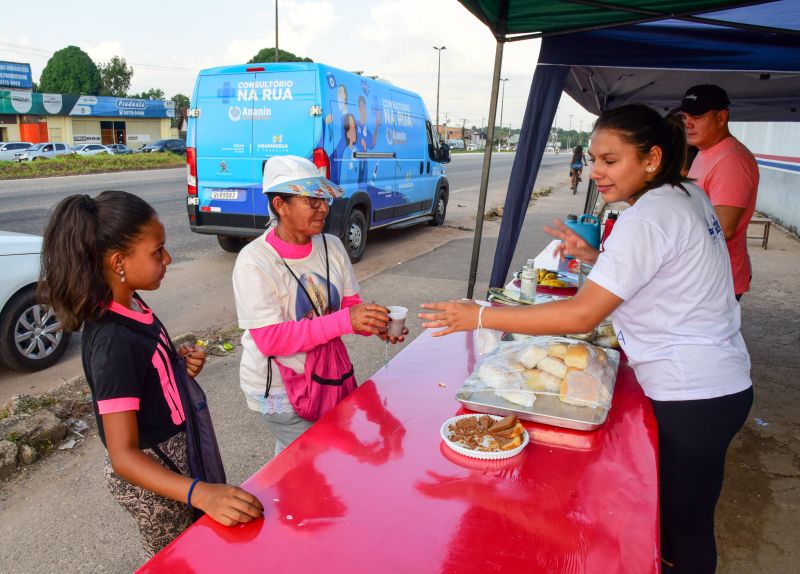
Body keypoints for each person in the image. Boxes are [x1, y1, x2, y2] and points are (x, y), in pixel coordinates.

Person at [420, 104, 752, 573]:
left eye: (610, 161)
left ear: (652, 158)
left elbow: (582, 315)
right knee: (684, 519)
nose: (596, 171)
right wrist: (596, 257)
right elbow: (661, 275)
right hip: (718, 382)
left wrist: (479, 316)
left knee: (684, 528)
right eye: (594, 158)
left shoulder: (648, 217)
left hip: (693, 391)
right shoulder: (686, 195)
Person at [38, 191, 263, 557]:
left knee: (196, 545)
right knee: (175, 558)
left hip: (175, 455)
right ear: (118, 262)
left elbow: (147, 364)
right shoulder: (113, 342)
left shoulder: (133, 302)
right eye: (157, 251)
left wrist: (176, 364)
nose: (168, 258)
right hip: (153, 476)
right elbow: (123, 455)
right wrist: (200, 492)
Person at [233, 155, 407, 456]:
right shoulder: (255, 260)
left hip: (326, 380)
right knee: (323, 454)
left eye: (323, 199)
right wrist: (346, 321)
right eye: (312, 201)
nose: (324, 208)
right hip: (279, 388)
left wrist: (374, 323)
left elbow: (349, 306)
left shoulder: (332, 245)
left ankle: (281, 493)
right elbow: (271, 339)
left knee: (296, 456)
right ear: (280, 205)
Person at [677, 84, 759, 300]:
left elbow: (724, 227)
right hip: (701, 275)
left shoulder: (731, 159)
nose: (688, 124)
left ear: (721, 118)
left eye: (697, 116)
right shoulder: (707, 152)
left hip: (717, 280)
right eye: (685, 117)